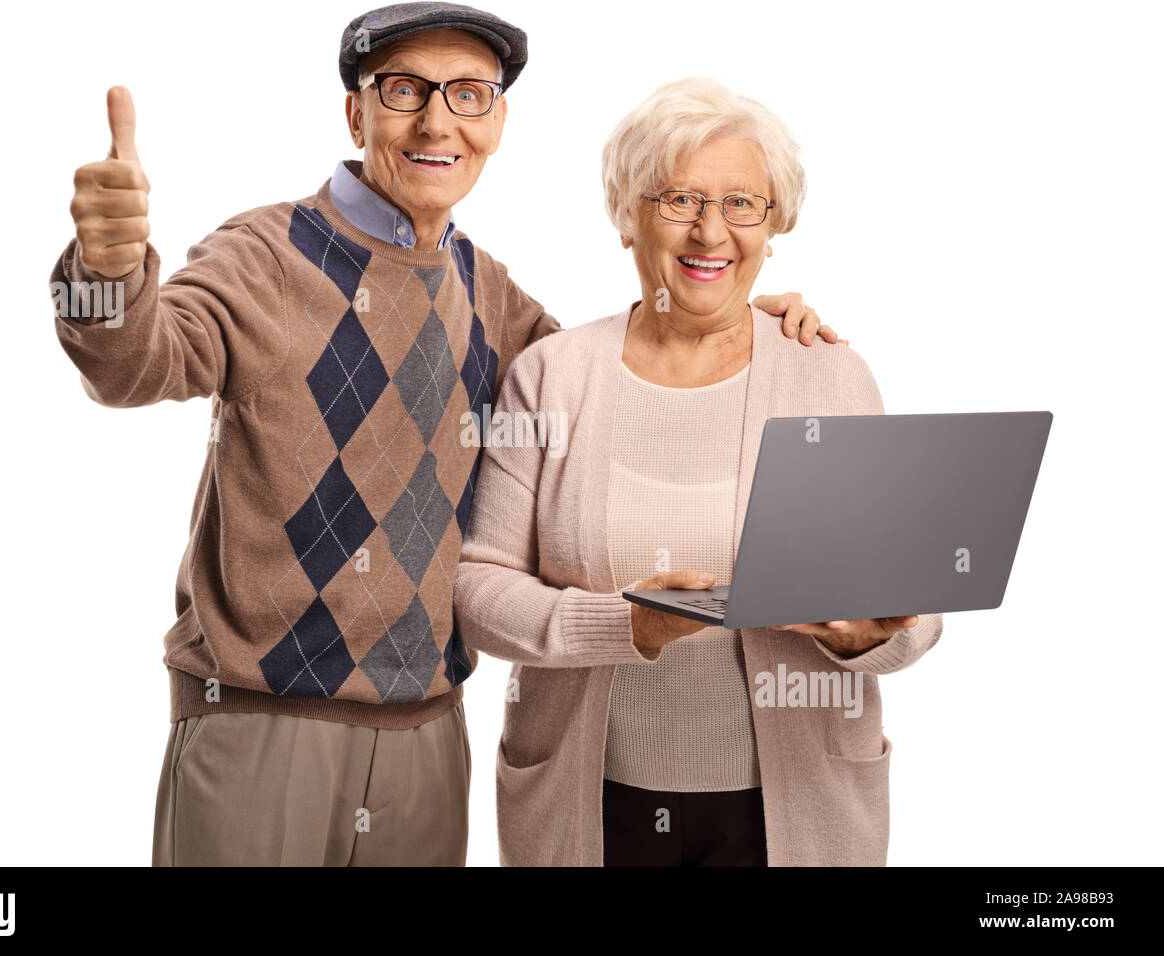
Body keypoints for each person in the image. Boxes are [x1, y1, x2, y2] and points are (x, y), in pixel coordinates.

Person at [52, 5, 837, 866]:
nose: (437, 121)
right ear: (356, 112)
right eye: (404, 90)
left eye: (468, 95)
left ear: (497, 122)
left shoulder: (485, 289)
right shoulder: (264, 253)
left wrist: (732, 318)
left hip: (429, 736)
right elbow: (133, 367)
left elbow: (610, 378)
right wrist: (107, 271)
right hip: (259, 722)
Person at [453, 77, 944, 867]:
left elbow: (914, 617)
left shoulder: (827, 375)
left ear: (774, 225)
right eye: (678, 199)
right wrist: (629, 625)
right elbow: (478, 592)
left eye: (743, 204)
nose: (710, 232)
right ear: (627, 218)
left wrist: (863, 639)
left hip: (795, 808)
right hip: (595, 804)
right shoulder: (552, 376)